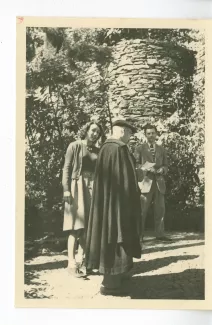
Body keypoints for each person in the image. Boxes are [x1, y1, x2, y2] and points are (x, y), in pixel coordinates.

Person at [85, 119, 142, 296]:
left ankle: (112, 278)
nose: (130, 137)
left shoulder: (104, 148)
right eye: (130, 134)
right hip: (119, 204)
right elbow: (129, 179)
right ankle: (112, 283)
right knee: (119, 233)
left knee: (106, 234)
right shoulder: (120, 149)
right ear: (122, 131)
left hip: (105, 203)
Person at [62, 121, 104, 278]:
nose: (95, 134)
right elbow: (66, 168)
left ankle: (85, 261)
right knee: (75, 225)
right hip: (77, 186)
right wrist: (66, 189)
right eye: (93, 130)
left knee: (89, 226)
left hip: (93, 187)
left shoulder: (98, 150)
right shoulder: (75, 146)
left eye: (98, 132)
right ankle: (71, 263)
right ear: (86, 130)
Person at [134, 124, 171, 241]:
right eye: (148, 133)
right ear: (145, 135)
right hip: (145, 183)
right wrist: (146, 167)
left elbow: (166, 165)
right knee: (142, 211)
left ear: (156, 134)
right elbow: (135, 164)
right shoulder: (139, 148)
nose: (151, 135)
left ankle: (160, 235)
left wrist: (163, 169)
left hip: (159, 182)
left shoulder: (161, 149)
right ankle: (139, 235)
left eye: (153, 133)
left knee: (160, 209)